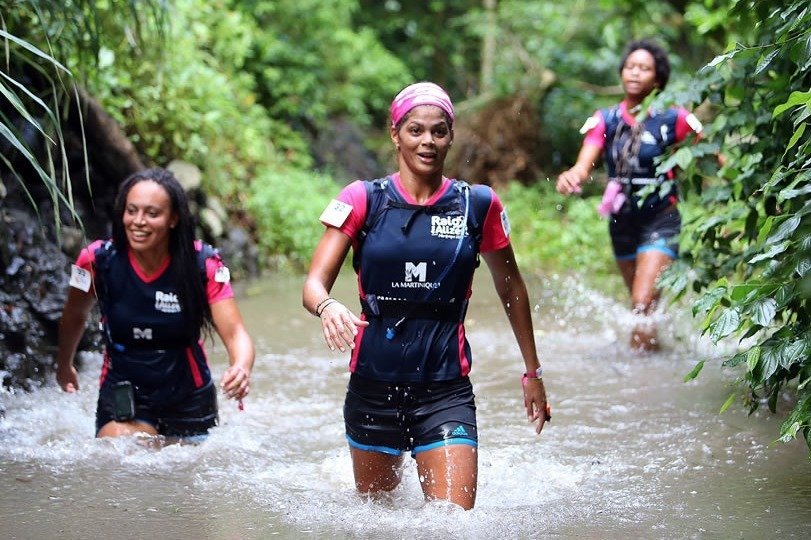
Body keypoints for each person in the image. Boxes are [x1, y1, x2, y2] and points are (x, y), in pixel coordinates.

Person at [302, 82, 549, 510]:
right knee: (377, 523)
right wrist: (327, 305)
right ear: (396, 134)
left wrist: (533, 372)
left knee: (453, 525)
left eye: (438, 131)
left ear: (451, 136)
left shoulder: (477, 205)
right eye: (416, 130)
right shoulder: (362, 199)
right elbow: (312, 285)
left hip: (445, 390)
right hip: (372, 389)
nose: (427, 142)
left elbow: (511, 289)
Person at [56, 167, 255, 441]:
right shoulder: (96, 261)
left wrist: (241, 366)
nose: (138, 221)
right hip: (124, 386)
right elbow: (74, 315)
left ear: (173, 218)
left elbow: (235, 333)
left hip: (188, 393)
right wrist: (64, 365)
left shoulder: (202, 264)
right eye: (131, 210)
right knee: (122, 453)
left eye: (152, 213)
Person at [556, 39, 703, 352]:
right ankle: (655, 358)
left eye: (644, 68)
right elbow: (585, 162)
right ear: (621, 72)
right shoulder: (606, 119)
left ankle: (641, 377)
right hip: (621, 222)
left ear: (658, 78)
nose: (635, 73)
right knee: (643, 308)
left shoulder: (674, 118)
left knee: (641, 303)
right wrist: (573, 175)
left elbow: (713, 153)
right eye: (630, 67)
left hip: (661, 218)